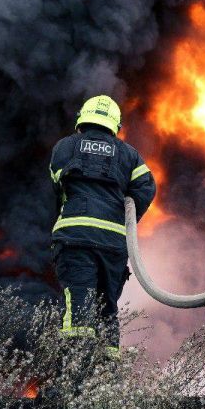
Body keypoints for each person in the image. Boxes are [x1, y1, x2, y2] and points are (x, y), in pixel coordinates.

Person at [49, 94, 156, 357]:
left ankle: (74, 380)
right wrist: (124, 218)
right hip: (113, 244)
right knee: (107, 309)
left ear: (82, 119)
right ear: (115, 125)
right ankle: (106, 378)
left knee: (79, 307)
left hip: (76, 239)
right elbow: (146, 187)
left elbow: (57, 181)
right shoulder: (128, 154)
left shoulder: (66, 146)